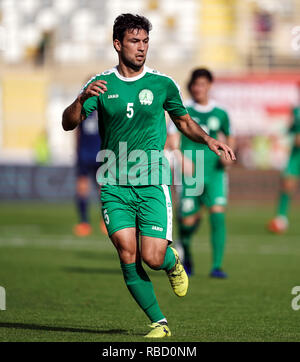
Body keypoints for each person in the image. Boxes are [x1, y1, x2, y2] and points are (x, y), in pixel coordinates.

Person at [62, 14, 235, 338]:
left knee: (152, 257)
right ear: (117, 44)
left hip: (153, 182)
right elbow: (68, 123)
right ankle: (160, 323)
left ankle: (172, 262)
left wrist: (210, 140)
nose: (141, 49)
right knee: (127, 253)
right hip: (114, 184)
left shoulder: (162, 84)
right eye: (134, 41)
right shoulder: (101, 85)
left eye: (145, 42)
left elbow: (183, 123)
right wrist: (81, 99)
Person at [167, 68, 235, 278]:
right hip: (191, 172)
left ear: (209, 86)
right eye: (196, 85)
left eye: (203, 84)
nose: (199, 88)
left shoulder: (221, 112)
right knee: (188, 221)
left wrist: (227, 157)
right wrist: (181, 158)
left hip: (214, 172)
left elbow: (229, 137)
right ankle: (186, 254)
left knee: (217, 214)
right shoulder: (183, 109)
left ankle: (217, 266)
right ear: (191, 86)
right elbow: (172, 139)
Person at [73, 103, 107, 237]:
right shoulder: (104, 106)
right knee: (87, 187)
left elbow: (77, 132)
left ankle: (87, 222)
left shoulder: (84, 108)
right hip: (93, 153)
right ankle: (85, 222)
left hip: (93, 153)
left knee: (101, 189)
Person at [268, 104, 300, 233]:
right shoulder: (296, 110)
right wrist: (280, 134)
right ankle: (281, 218)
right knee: (287, 184)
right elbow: (292, 128)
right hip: (296, 154)